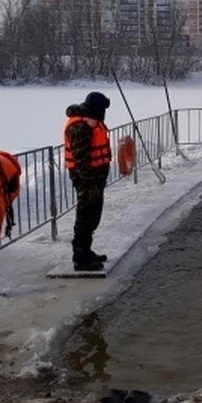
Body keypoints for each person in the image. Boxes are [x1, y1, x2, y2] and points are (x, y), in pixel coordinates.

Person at [64, 91, 112, 271]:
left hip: (95, 179)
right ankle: (80, 257)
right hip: (87, 181)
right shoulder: (81, 127)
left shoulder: (90, 122)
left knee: (93, 216)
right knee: (85, 217)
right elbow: (81, 160)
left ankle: (86, 250)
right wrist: (90, 185)